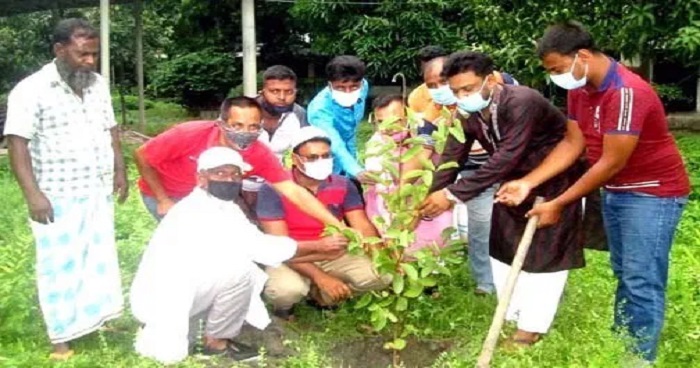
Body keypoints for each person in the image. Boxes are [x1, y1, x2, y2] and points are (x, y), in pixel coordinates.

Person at [498, 21, 690, 363]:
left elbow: (610, 163)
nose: (557, 76)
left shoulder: (627, 92)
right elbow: (574, 143)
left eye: (558, 68)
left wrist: (558, 202)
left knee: (641, 277)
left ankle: (637, 357)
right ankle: (624, 342)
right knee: (625, 271)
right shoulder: (581, 89)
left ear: (582, 56)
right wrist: (529, 181)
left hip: (651, 193)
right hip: (616, 191)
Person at [419, 51, 587, 346]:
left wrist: (452, 194)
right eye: (456, 90)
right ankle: (513, 312)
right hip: (511, 183)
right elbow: (451, 157)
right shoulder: (466, 113)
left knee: (546, 255)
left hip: (553, 180)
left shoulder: (522, 101)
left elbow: (508, 155)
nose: (462, 96)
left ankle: (530, 329)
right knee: (503, 246)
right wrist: (431, 195)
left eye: (469, 89)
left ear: (491, 79)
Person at [3, 18, 128, 360]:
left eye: (94, 55)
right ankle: (61, 337)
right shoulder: (30, 90)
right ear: (59, 50)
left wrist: (120, 170)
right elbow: (17, 145)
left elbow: (111, 128)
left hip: (97, 188)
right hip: (57, 194)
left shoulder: (97, 83)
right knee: (60, 264)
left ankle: (96, 319)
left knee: (97, 259)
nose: (90, 61)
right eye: (82, 54)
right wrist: (33, 194)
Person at [131, 146, 326, 364]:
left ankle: (210, 330)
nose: (229, 180)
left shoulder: (223, 207)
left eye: (235, 174)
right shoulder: (197, 210)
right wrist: (320, 247)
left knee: (240, 268)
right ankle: (215, 342)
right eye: (220, 174)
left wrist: (317, 247)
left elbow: (253, 244)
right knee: (242, 272)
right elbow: (261, 248)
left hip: (189, 287)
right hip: (168, 294)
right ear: (201, 179)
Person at [134, 96, 343, 229]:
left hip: (213, 195)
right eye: (238, 125)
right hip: (166, 192)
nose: (246, 133)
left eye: (253, 126)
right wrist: (162, 200)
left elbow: (293, 191)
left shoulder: (258, 152)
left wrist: (339, 226)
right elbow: (142, 155)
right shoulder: (189, 134)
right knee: (184, 241)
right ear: (221, 123)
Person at [408, 48, 520, 295]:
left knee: (513, 224)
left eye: (442, 82)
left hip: (511, 168)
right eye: (431, 84)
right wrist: (412, 188)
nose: (438, 88)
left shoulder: (501, 87)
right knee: (480, 228)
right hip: (471, 171)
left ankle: (519, 279)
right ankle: (486, 283)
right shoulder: (428, 107)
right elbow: (432, 153)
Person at [258, 127, 389, 320]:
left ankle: (322, 298)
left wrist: (382, 255)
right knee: (285, 291)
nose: (320, 162)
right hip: (294, 254)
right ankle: (286, 306)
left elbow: (361, 225)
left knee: (382, 275)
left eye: (326, 156)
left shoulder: (343, 184)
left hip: (334, 252)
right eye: (312, 157)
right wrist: (320, 275)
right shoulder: (273, 188)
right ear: (295, 159)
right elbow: (280, 246)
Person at [364, 94, 452, 253]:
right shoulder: (377, 144)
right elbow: (385, 187)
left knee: (441, 231)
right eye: (381, 122)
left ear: (407, 115)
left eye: (395, 120)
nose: (389, 127)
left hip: (427, 196)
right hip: (391, 200)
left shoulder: (425, 130)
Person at [243, 65, 309, 211]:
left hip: (276, 187)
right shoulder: (242, 110)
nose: (282, 97)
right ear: (262, 92)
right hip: (237, 185)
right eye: (274, 91)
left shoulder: (299, 114)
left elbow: (305, 153)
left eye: (288, 92)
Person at [307, 55, 374, 184]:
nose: (348, 92)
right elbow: (334, 143)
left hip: (351, 153)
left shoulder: (363, 87)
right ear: (330, 85)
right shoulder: (319, 109)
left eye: (353, 87)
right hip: (325, 160)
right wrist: (355, 170)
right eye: (340, 88)